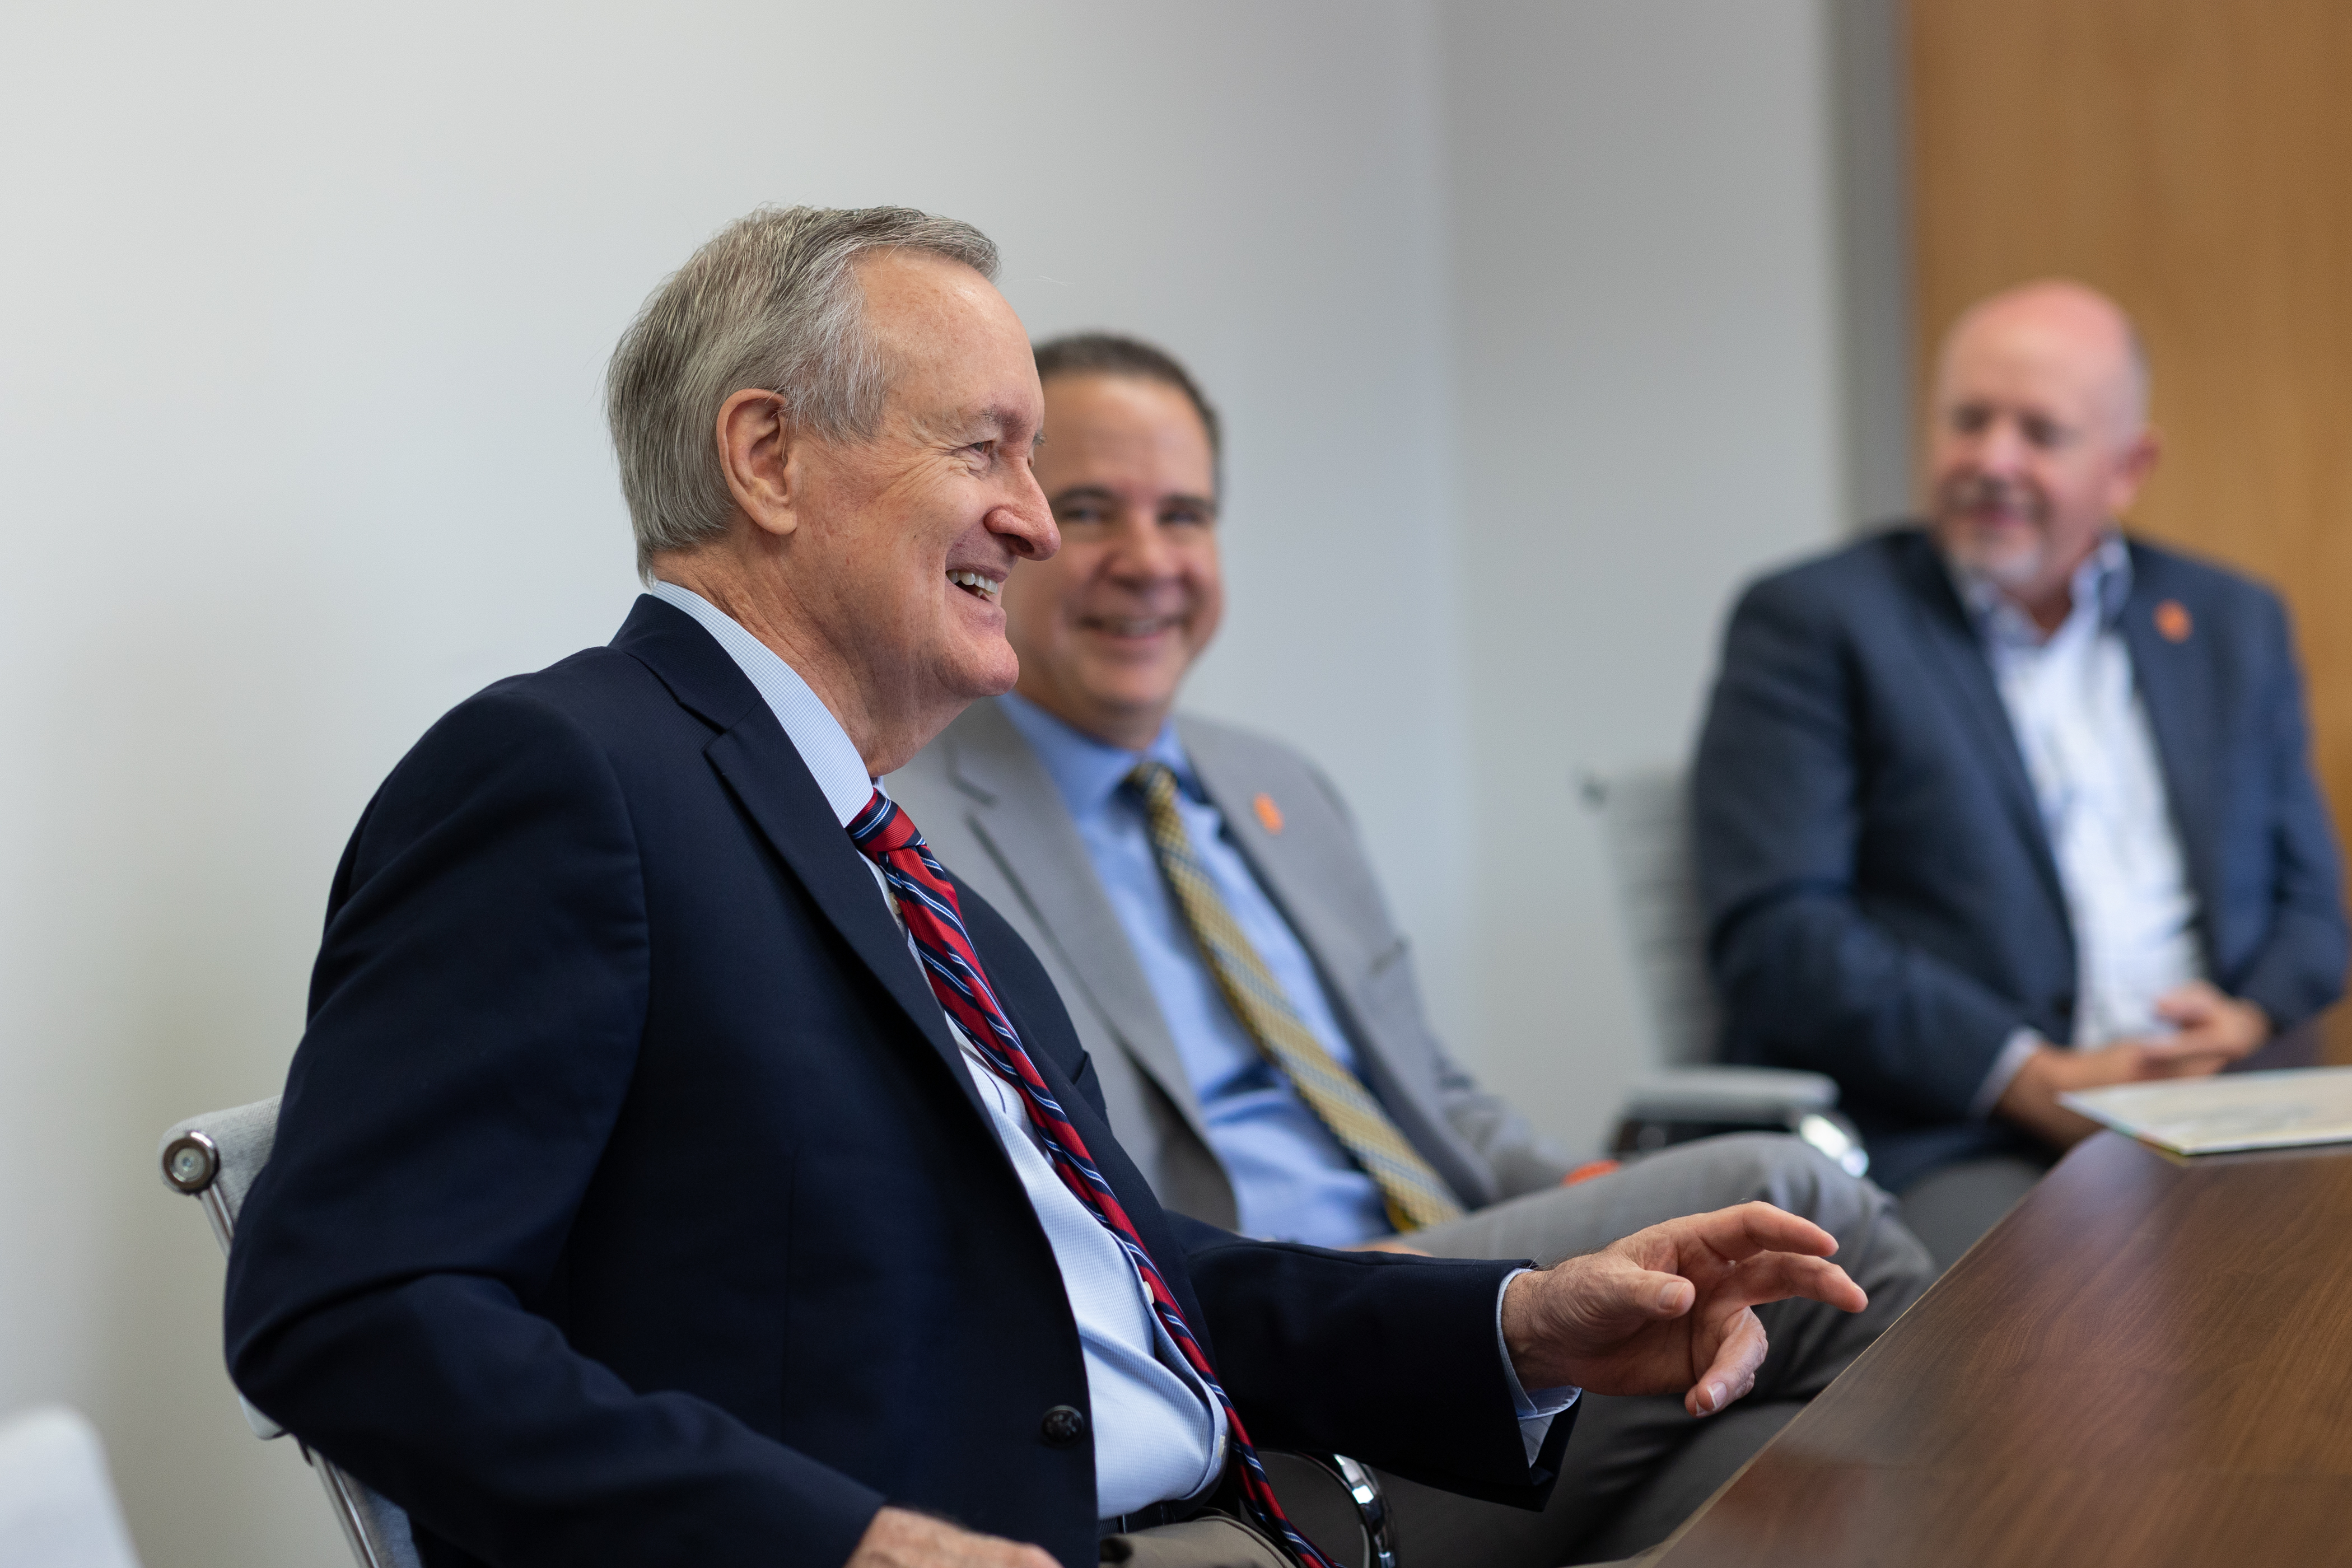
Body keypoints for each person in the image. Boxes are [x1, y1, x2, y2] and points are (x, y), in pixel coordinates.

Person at [221, 208, 1873, 1568]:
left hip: (1238, 1524)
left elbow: (1156, 1277)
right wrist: (847, 1548)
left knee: (1846, 1480)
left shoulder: (881, 853)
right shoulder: (566, 774)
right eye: (991, 453)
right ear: (768, 457)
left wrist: (1519, 1327)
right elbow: (350, 1310)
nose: (1032, 522)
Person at [886, 332, 1933, 1565]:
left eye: (1187, 514)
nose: (1149, 562)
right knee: (1802, 1205)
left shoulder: (1277, 786)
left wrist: (1593, 1197)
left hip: (1463, 1288)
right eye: (1092, 510)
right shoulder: (922, 820)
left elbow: (1431, 1096)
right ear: (1019, 528)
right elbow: (1056, 1211)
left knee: (1764, 1437)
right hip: (1273, 1330)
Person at [1693, 279, 2348, 1269]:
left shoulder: (2227, 624)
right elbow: (1780, 935)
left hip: (2225, 1101)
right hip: (1962, 1132)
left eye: (2040, 431)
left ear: (2128, 466)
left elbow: (2312, 909)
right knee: (2078, 1304)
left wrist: (2244, 1023)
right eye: (1968, 421)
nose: (1993, 460)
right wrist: (2031, 1076)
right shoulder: (1817, 622)